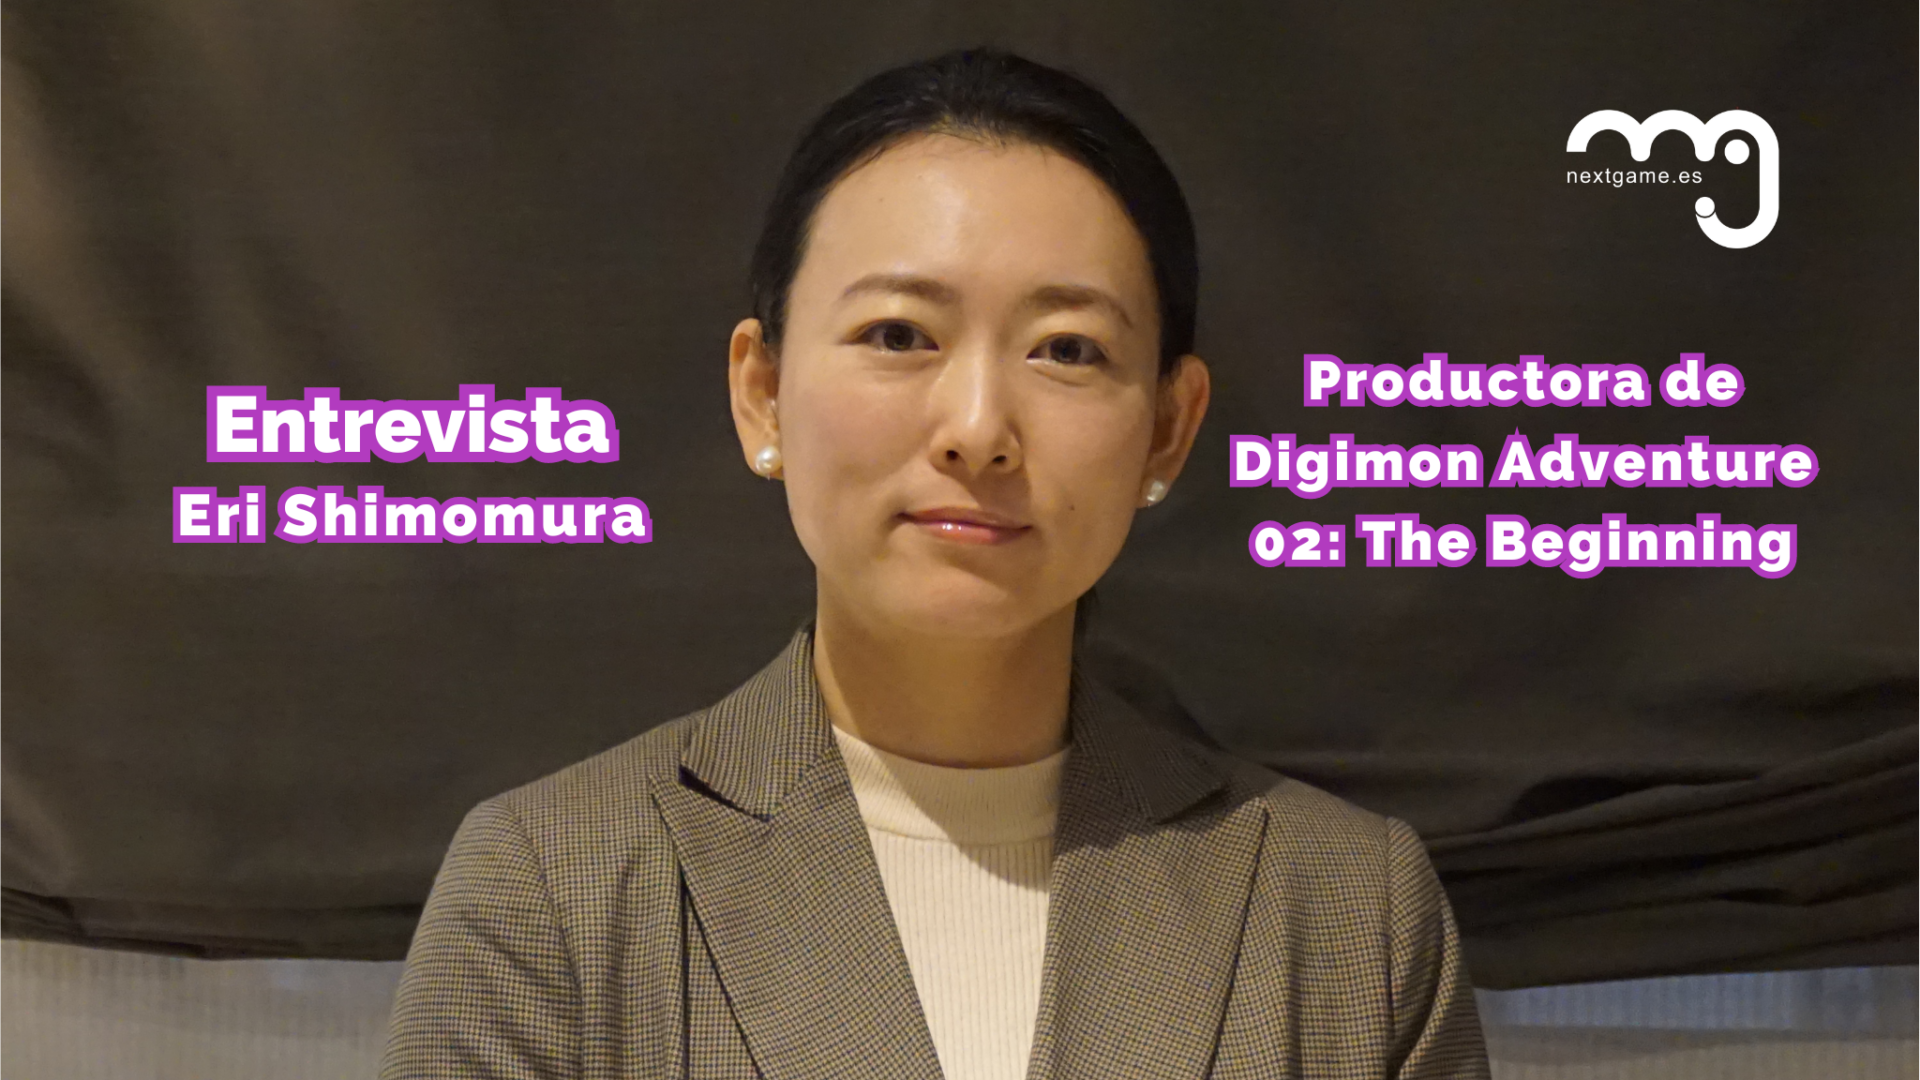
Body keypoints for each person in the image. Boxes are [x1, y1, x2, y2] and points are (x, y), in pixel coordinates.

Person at [380, 48, 1490, 1080]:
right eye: (900, 335)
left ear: (1168, 427)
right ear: (762, 393)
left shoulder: (1351, 916)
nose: (977, 429)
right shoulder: (551, 888)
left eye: (1067, 349)